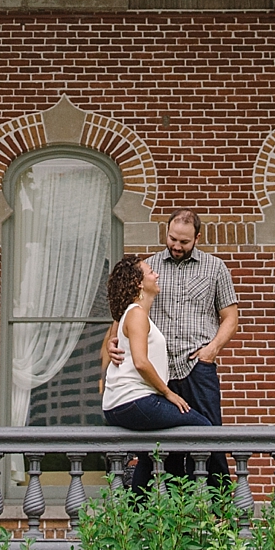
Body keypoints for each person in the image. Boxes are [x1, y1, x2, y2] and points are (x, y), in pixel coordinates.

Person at [106, 209, 239, 482]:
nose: (177, 246)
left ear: (197, 238)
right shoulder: (148, 269)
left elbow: (231, 318)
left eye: (184, 242)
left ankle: (222, 514)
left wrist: (210, 351)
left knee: (210, 439)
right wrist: (112, 341)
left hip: (197, 367)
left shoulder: (215, 268)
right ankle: (179, 514)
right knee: (167, 451)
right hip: (157, 372)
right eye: (172, 239)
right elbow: (124, 313)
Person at [100, 253, 210, 491]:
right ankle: (195, 501)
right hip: (134, 401)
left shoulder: (132, 314)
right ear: (139, 282)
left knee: (151, 455)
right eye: (151, 272)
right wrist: (168, 393)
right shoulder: (137, 313)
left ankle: (137, 513)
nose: (156, 274)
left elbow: (119, 337)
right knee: (203, 428)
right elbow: (140, 362)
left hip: (122, 404)